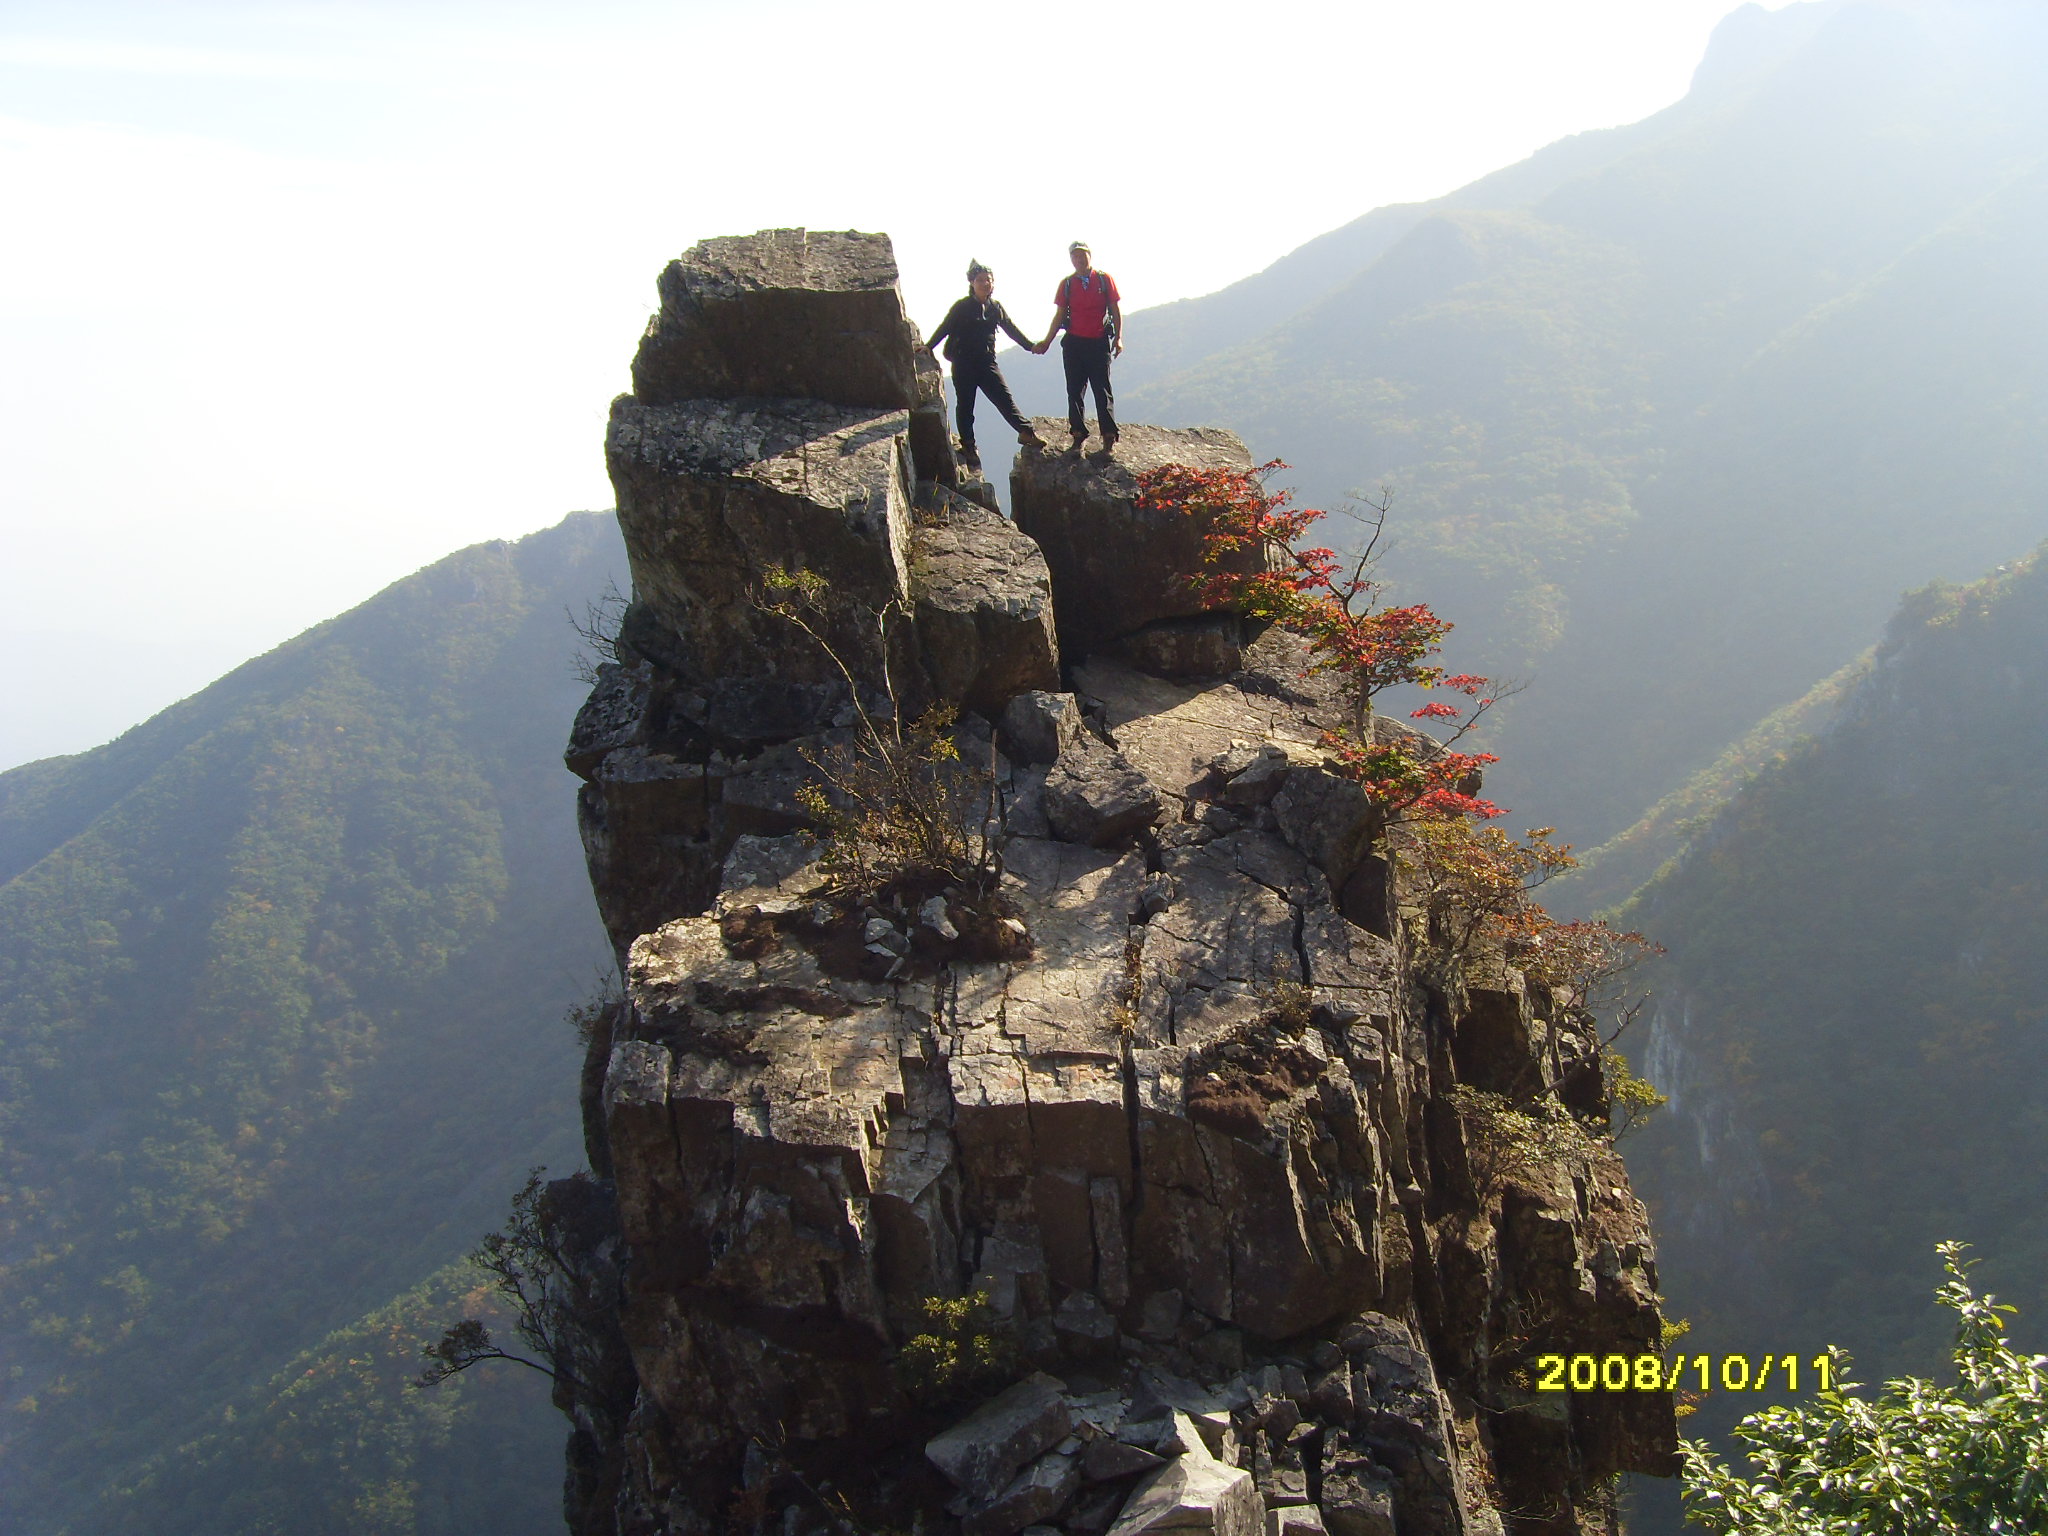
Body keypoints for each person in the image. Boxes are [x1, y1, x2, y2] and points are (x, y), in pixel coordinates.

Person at [924, 261, 1045, 471]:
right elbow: (945, 327)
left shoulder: (995, 308)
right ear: (972, 283)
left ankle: (1025, 431)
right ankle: (968, 446)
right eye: (980, 280)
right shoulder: (962, 306)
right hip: (963, 363)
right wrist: (928, 346)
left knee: (1004, 398)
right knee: (966, 406)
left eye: (988, 279)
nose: (985, 283)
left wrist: (1030, 346)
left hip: (986, 362)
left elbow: (1010, 328)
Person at [1035, 241, 1122, 453]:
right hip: (1074, 343)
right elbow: (1059, 315)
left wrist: (1118, 338)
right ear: (1071, 260)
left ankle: (1108, 436)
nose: (1079, 260)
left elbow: (1115, 310)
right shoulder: (1067, 284)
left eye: (1082, 255)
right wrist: (1047, 341)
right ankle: (1078, 434)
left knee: (1102, 389)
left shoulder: (1103, 280)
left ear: (1090, 256)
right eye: (1075, 256)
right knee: (1075, 390)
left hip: (1098, 341)